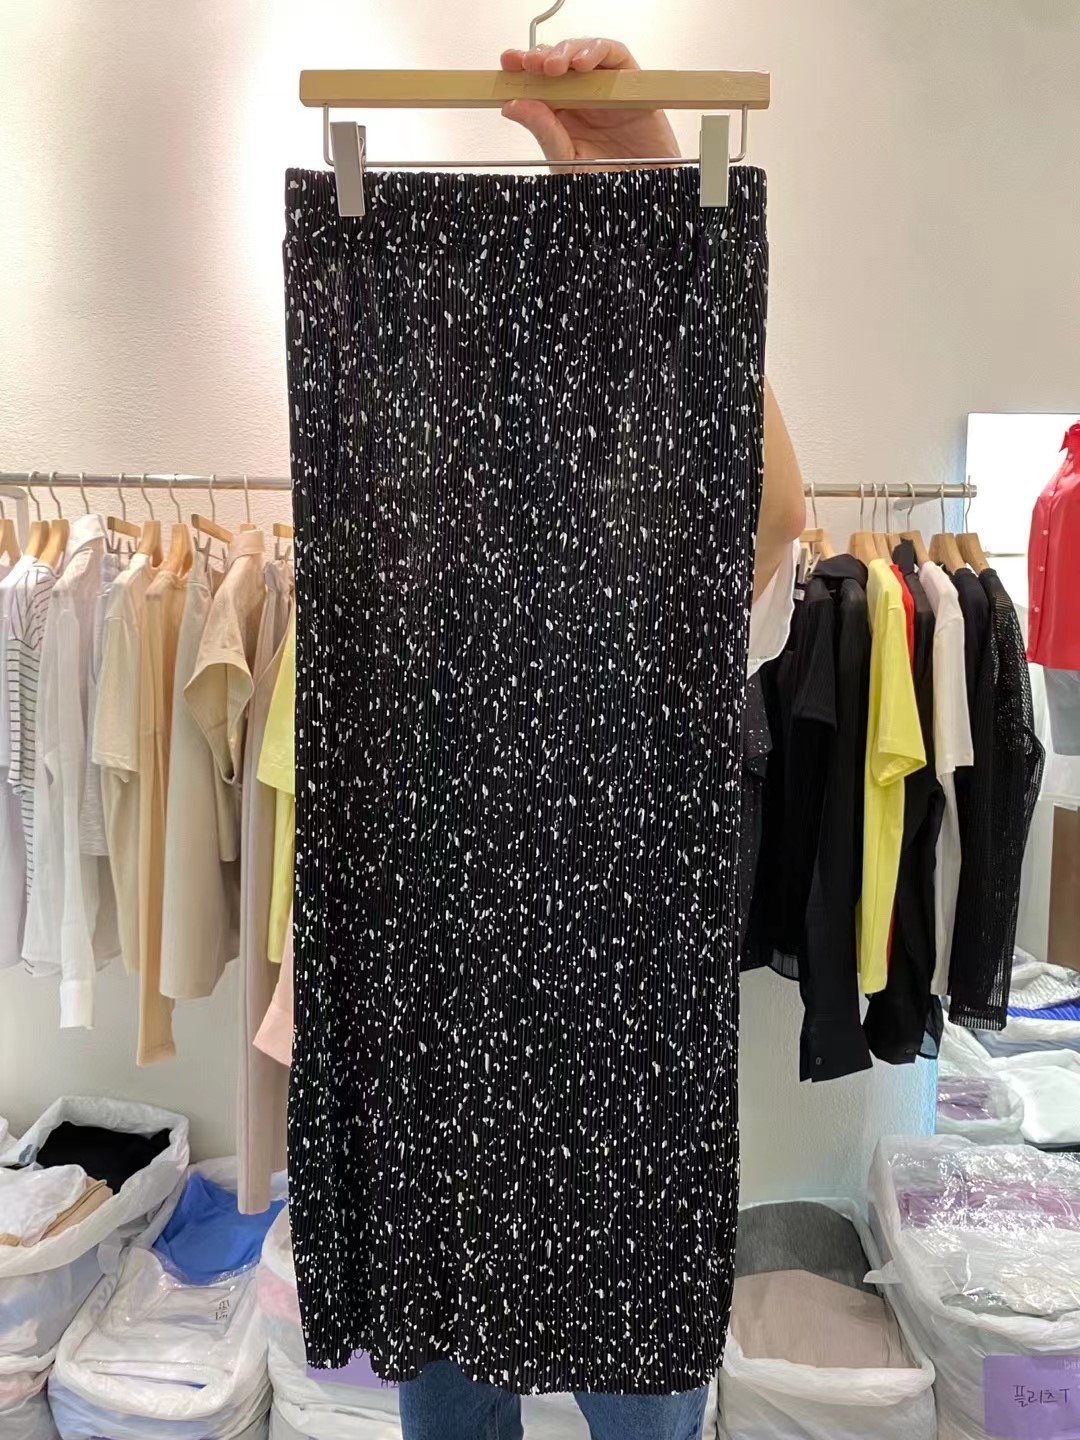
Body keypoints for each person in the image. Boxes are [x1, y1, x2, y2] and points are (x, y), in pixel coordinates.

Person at [395, 36, 805, 1440]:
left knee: (638, 1415)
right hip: (452, 1067)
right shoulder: (411, 569)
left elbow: (773, 515)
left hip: (625, 1087)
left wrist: (651, 197)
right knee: (460, 1401)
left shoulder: (664, 571)